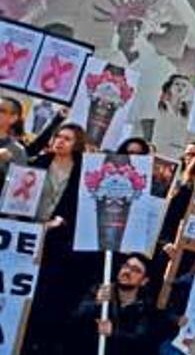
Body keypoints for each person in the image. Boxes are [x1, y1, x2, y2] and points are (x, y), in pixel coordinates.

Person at [27, 123, 92, 354]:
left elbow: (81, 205)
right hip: (30, 232)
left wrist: (61, 220)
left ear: (77, 144)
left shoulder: (82, 172)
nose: (60, 141)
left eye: (67, 138)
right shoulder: (38, 163)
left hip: (59, 240)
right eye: (58, 137)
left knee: (46, 293)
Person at [70, 252, 157, 353]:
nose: (127, 271)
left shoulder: (146, 307)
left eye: (135, 270)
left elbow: (142, 340)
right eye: (126, 266)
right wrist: (96, 303)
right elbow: (75, 319)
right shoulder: (101, 290)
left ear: (144, 281)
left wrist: (114, 332)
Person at [0, 96, 28, 178]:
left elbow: (18, 182)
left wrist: (9, 163)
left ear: (13, 118)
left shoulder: (18, 151)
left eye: (1, 110)